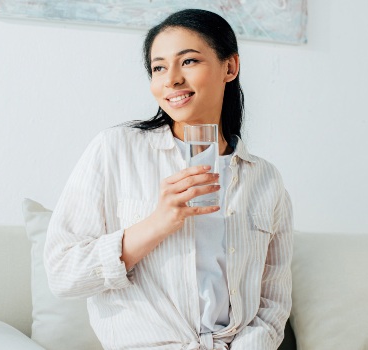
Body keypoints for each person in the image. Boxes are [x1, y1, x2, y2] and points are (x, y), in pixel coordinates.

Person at [45, 8, 293, 350]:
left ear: (230, 67)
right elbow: (62, 273)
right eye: (158, 67)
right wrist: (158, 223)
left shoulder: (265, 179)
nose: (171, 79)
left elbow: (273, 302)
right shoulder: (116, 150)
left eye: (188, 61)